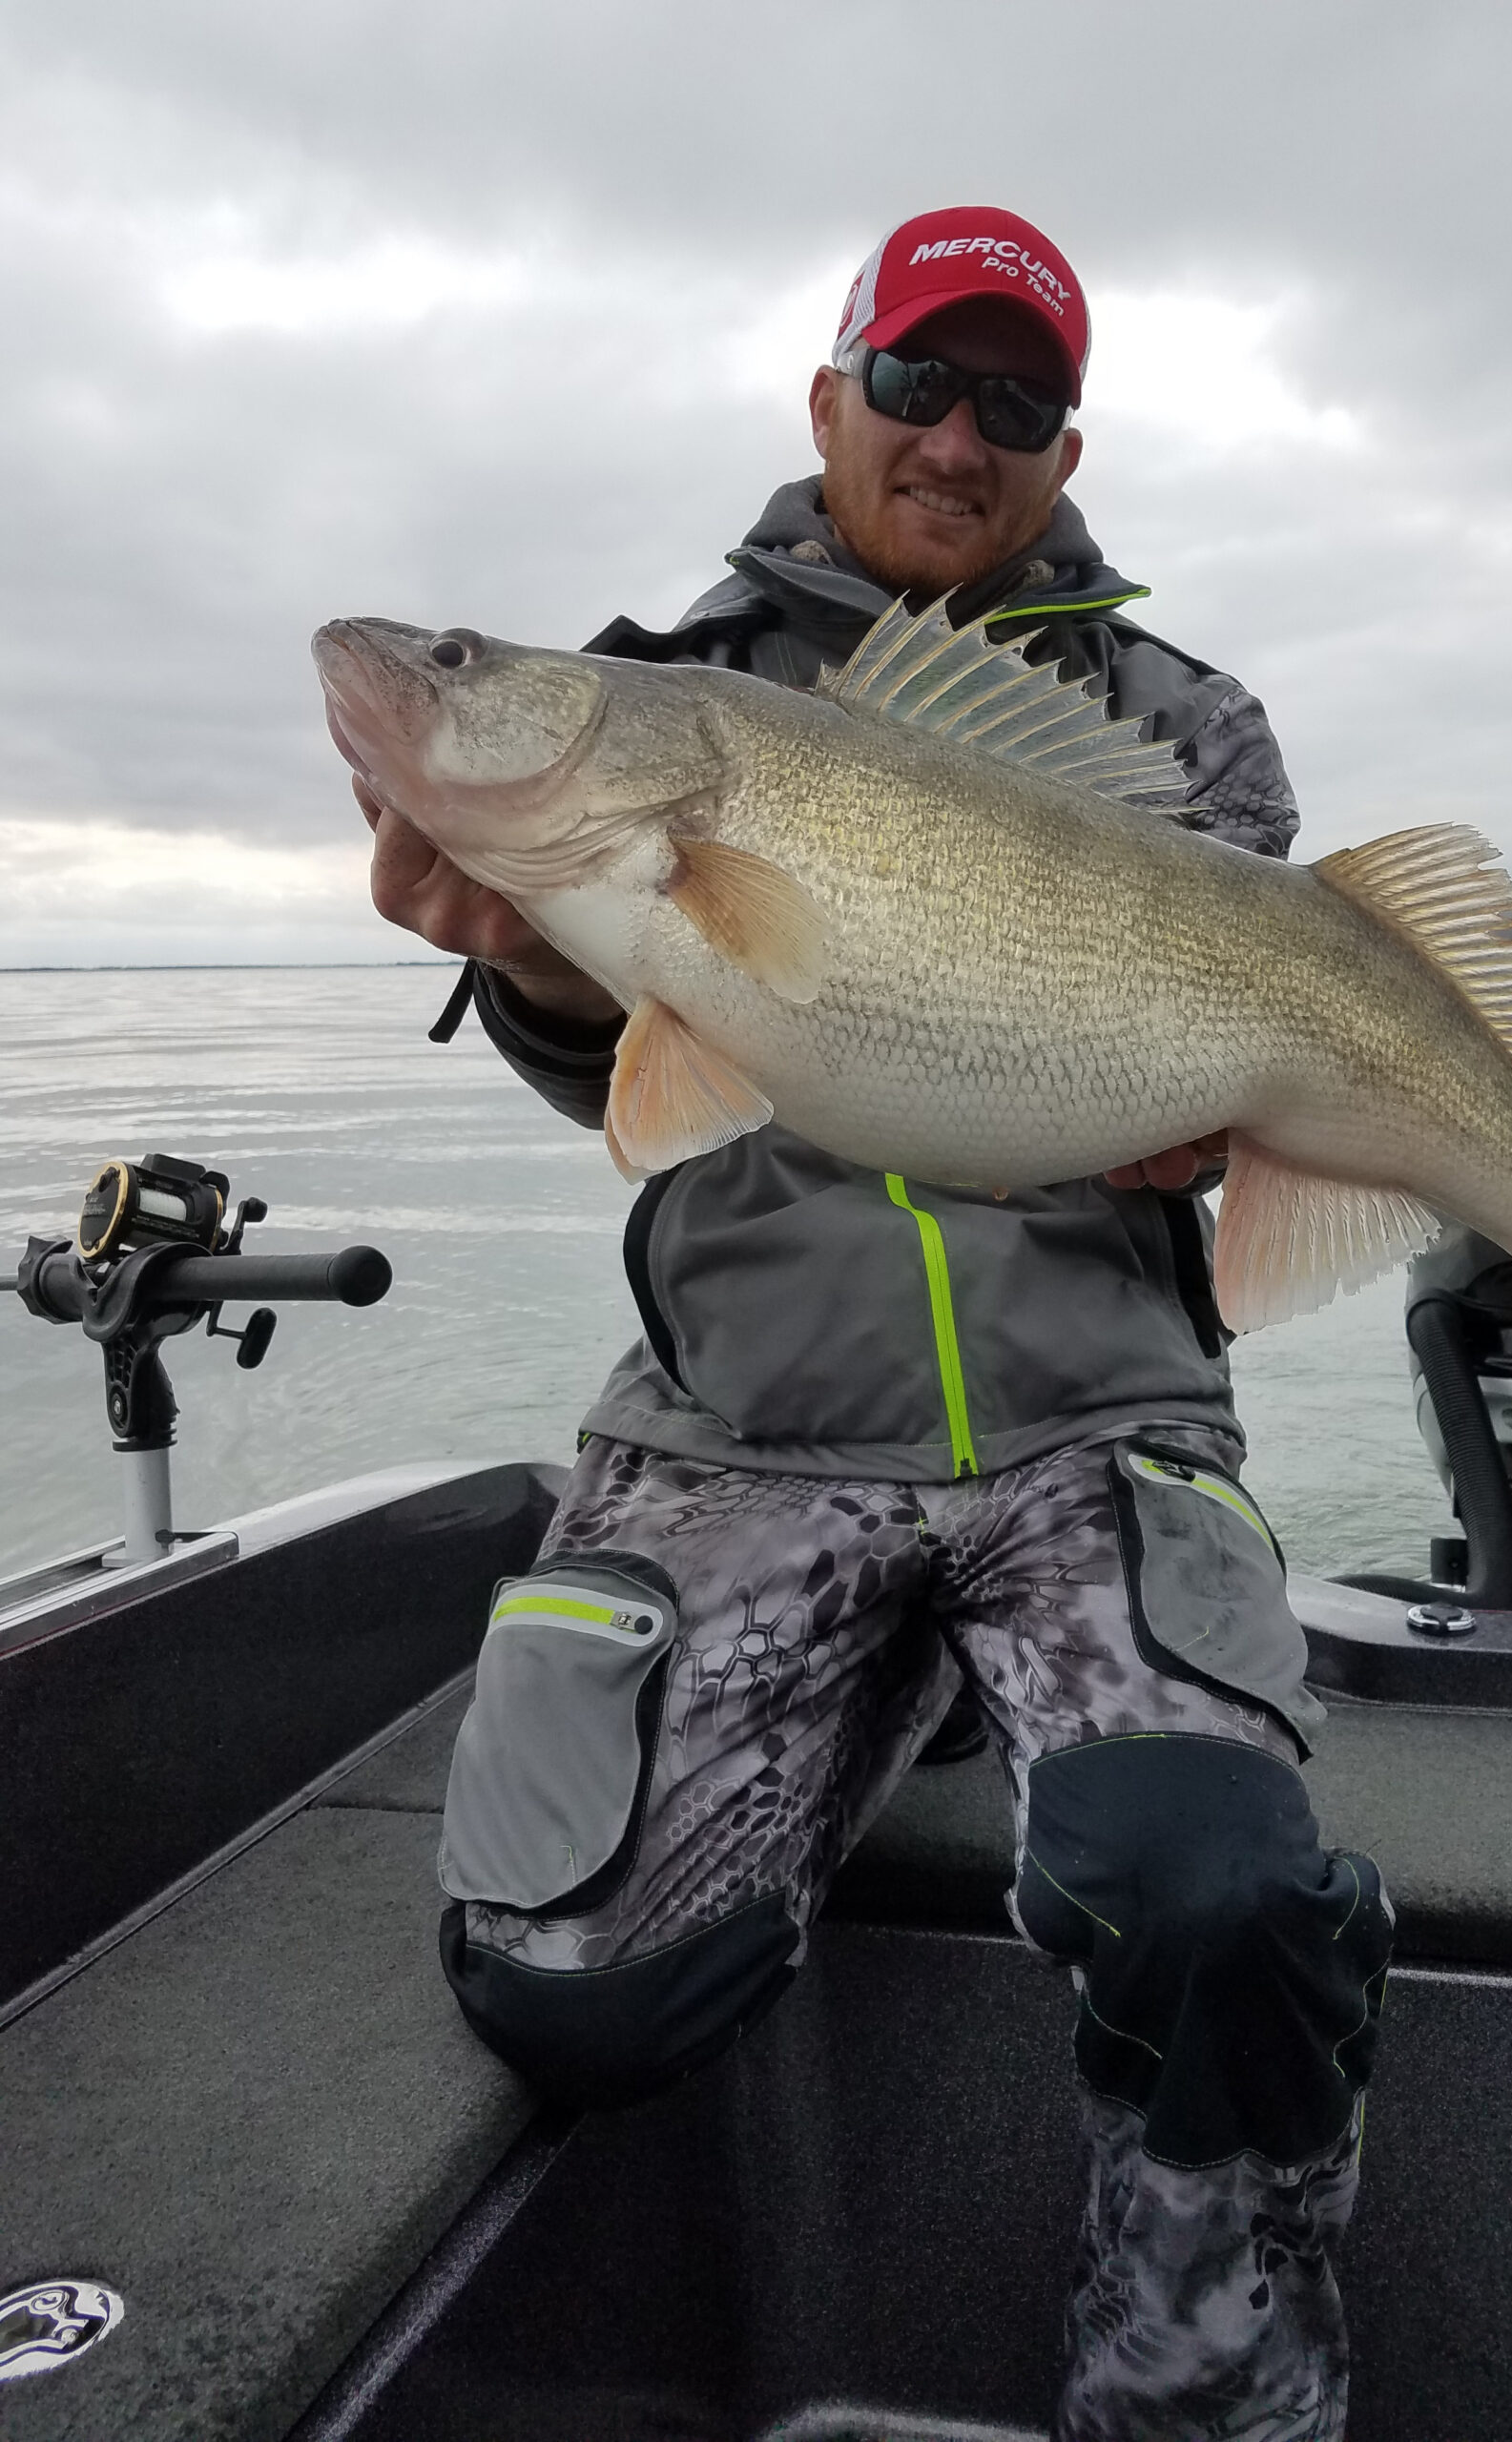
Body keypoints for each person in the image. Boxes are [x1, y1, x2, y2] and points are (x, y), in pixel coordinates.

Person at [360, 205, 1391, 2442]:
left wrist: (1212, 1133)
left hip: (1087, 1412)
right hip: (742, 1417)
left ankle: (1203, 2409)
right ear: (825, 398)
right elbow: (633, 1076)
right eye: (917, 379)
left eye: (1014, 402)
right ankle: (907, 1675)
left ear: (1064, 444)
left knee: (1218, 1908)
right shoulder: (675, 688)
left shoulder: (1186, 725)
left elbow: (1200, 1093)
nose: (957, 434)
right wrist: (549, 957)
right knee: (572, 1988)